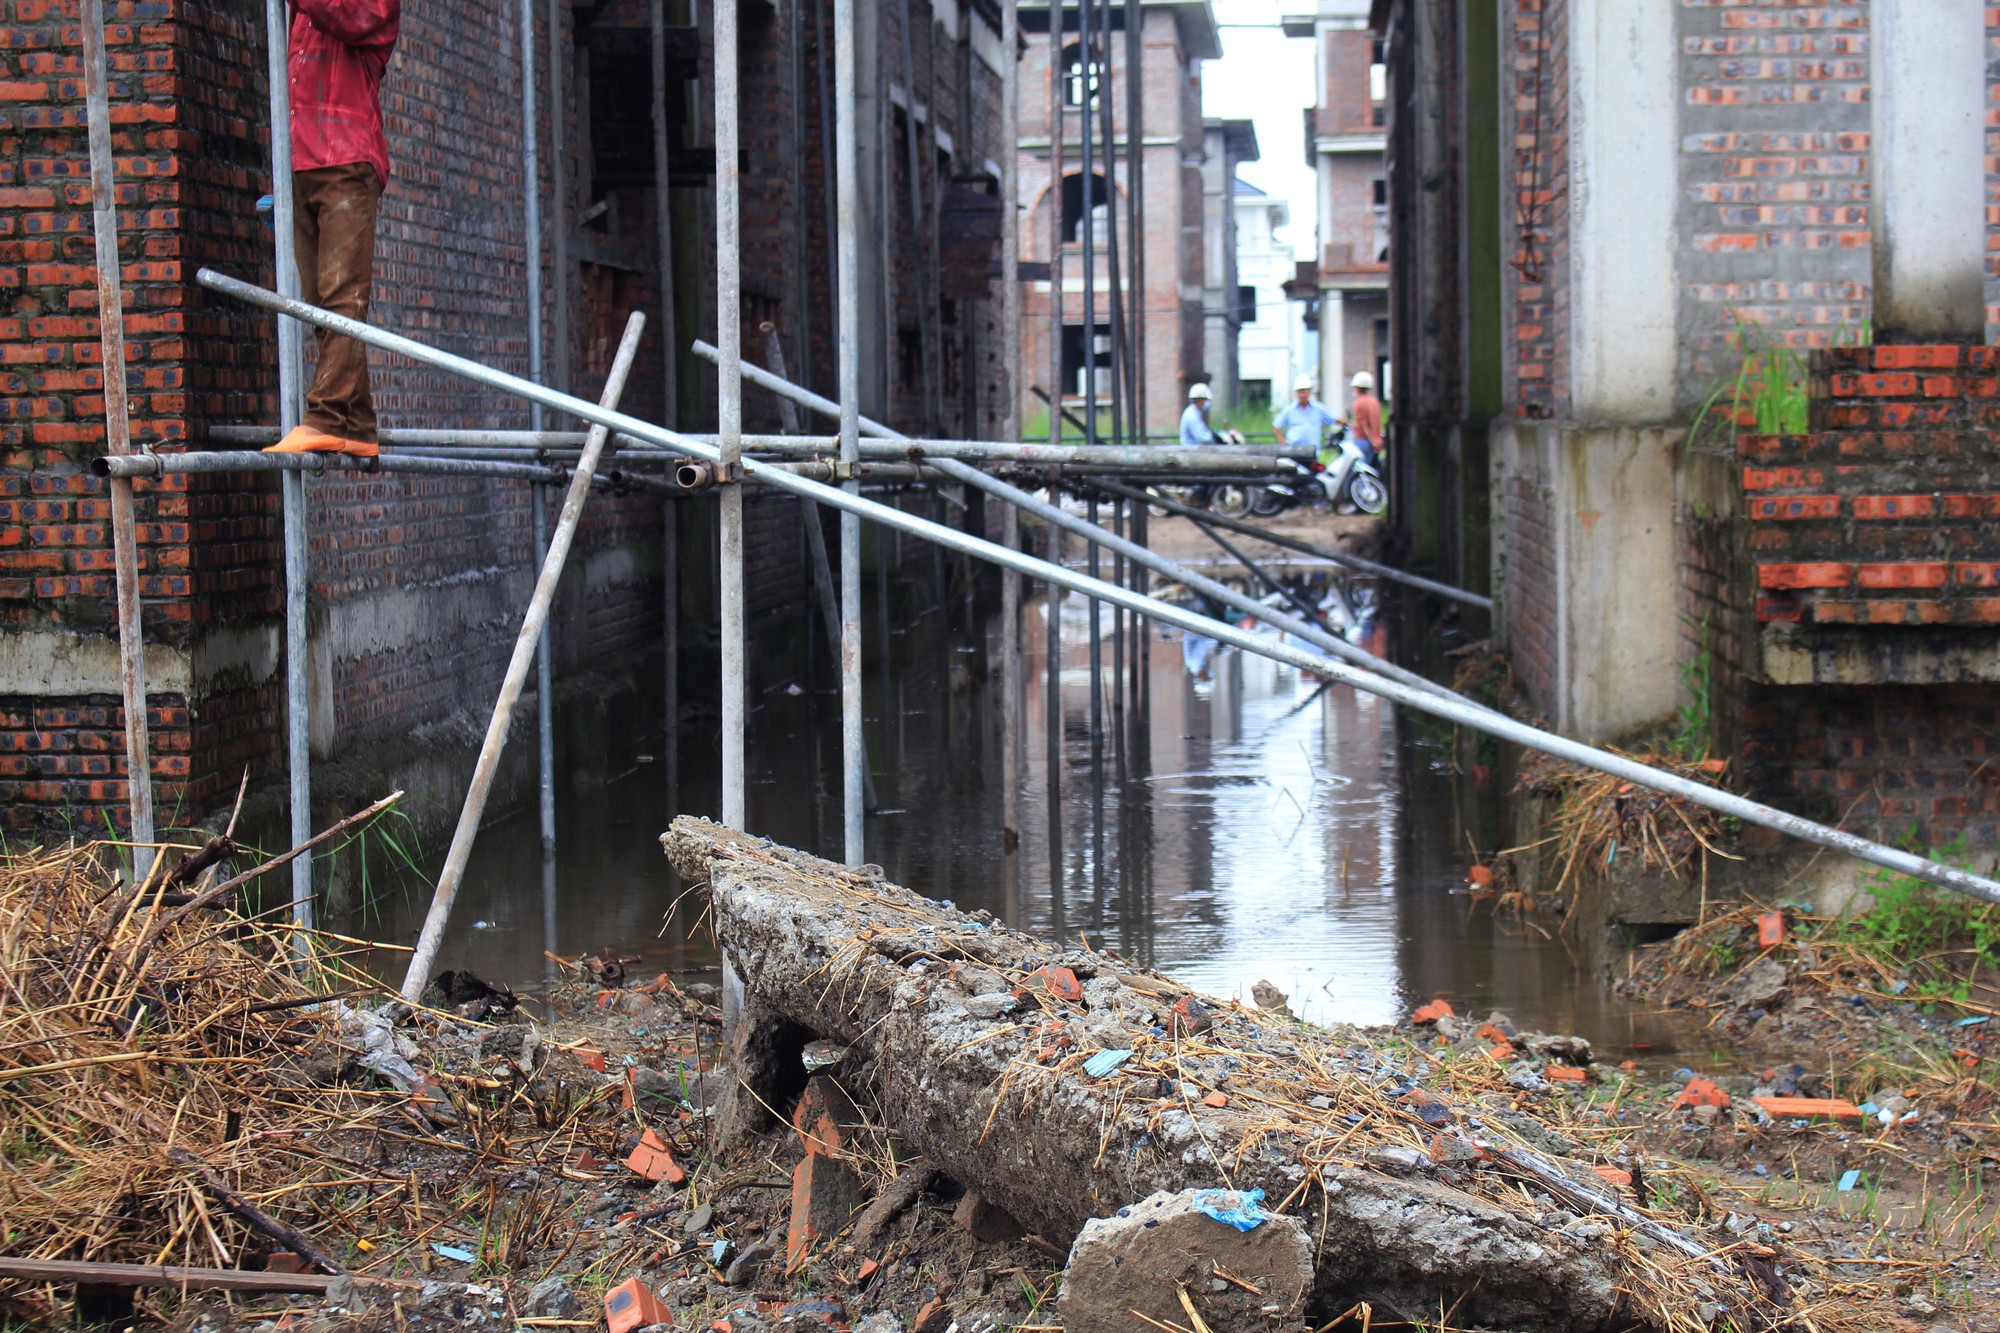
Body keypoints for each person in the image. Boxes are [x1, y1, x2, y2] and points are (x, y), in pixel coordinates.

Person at [266, 0, 402, 459]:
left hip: (345, 157)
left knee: (343, 295)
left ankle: (325, 417)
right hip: (301, 159)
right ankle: (358, 423)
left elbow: (351, 16)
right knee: (319, 303)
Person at [1271, 374, 1337, 457]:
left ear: (1309, 392)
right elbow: (1276, 426)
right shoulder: (1289, 410)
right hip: (1294, 451)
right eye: (1300, 391)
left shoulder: (1318, 409)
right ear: (1296, 393)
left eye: (1305, 391)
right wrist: (1283, 443)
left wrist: (1345, 422)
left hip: (1313, 451)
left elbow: (1332, 419)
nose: (1303, 394)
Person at [1179, 383, 1241, 448]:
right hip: (1190, 452)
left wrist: (1222, 435)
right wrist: (1224, 438)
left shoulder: (1194, 413)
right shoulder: (1191, 415)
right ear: (1199, 399)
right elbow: (1203, 438)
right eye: (1205, 399)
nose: (1207, 402)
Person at [1348, 370, 1384, 464]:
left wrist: (1372, 441)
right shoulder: (1374, 401)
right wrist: (1376, 441)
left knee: (1359, 469)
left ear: (1358, 388)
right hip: (1375, 442)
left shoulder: (1358, 402)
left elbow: (1364, 424)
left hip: (1362, 440)